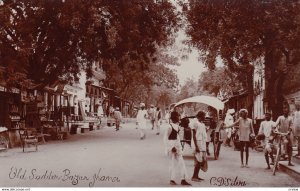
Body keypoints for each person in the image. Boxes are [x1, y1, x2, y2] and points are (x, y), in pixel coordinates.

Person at [163, 111, 191, 186]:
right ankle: (172, 179)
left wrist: (179, 146)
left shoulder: (177, 126)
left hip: (177, 145)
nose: (178, 118)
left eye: (178, 116)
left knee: (181, 163)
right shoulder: (169, 127)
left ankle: (183, 179)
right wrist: (171, 148)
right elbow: (165, 138)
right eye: (177, 116)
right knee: (172, 163)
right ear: (173, 118)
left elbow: (177, 137)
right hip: (171, 146)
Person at [191, 111, 208, 182]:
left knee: (201, 160)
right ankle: (194, 176)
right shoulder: (195, 123)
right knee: (198, 160)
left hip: (202, 143)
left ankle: (196, 176)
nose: (205, 117)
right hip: (198, 143)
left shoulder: (202, 124)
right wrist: (196, 146)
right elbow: (194, 136)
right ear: (200, 116)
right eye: (204, 116)